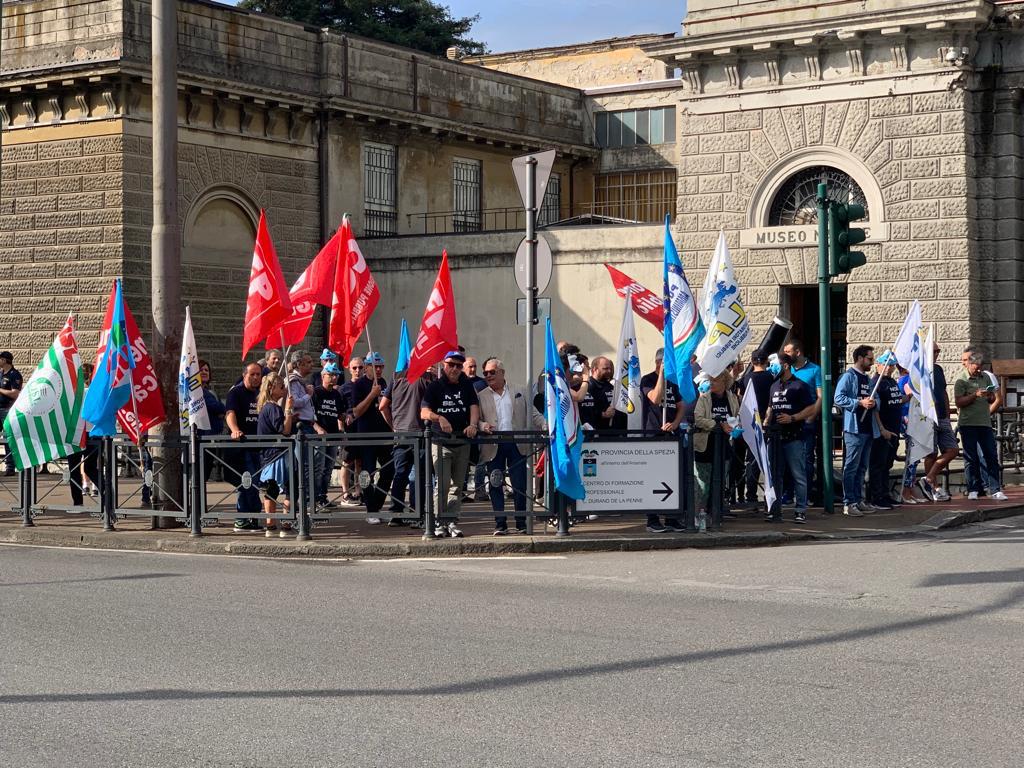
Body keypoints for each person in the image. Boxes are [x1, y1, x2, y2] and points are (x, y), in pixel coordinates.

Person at [478, 358, 546, 535]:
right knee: (495, 483)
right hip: (494, 443)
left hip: (517, 443)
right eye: (485, 373)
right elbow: (475, 418)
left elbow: (533, 413)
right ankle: (500, 524)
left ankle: (521, 522)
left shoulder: (519, 391)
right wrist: (481, 425)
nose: (488, 376)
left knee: (519, 484)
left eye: (492, 372)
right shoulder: (481, 395)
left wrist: (545, 424)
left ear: (502, 372)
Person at [420, 350, 480, 538]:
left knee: (457, 486)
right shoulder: (435, 386)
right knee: (442, 485)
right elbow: (423, 412)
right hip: (441, 441)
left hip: (462, 441)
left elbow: (474, 407)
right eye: (451, 364)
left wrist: (472, 424)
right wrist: (439, 418)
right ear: (443, 365)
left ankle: (451, 521)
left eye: (458, 365)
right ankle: (438, 521)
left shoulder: (467, 385)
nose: (454, 368)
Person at [764, 353, 816, 523]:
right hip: (775, 438)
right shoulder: (773, 386)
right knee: (774, 476)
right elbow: (771, 407)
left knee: (798, 475)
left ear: (785, 365)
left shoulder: (800, 386)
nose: (772, 368)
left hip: (794, 437)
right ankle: (774, 509)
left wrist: (792, 418)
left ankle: (800, 510)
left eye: (775, 364)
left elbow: (811, 408)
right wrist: (766, 421)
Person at [380, 362, 432, 526]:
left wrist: (393, 425)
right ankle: (417, 514)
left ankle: (396, 512)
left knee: (400, 474)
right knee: (419, 475)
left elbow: (382, 406)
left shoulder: (396, 376)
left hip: (401, 433)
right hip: (419, 432)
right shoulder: (427, 378)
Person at [640, 348, 686, 532]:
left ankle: (672, 518)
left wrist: (675, 423)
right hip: (653, 435)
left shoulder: (673, 382)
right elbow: (655, 398)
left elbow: (681, 405)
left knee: (673, 477)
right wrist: (662, 375)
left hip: (671, 436)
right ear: (659, 362)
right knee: (653, 478)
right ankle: (652, 519)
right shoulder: (648, 379)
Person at [954, 349, 1008, 501]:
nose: (978, 369)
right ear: (969, 364)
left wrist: (989, 395)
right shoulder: (961, 380)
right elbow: (959, 402)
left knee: (990, 455)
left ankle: (995, 489)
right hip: (968, 423)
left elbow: (993, 398)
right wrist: (974, 395)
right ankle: (973, 489)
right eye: (975, 366)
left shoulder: (985, 377)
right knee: (970, 457)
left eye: (980, 366)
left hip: (984, 423)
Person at [834, 345, 878, 516]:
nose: (872, 363)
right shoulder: (848, 377)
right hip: (854, 428)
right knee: (851, 466)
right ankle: (849, 502)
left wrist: (874, 403)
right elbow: (839, 398)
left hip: (867, 428)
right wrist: (859, 403)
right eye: (869, 359)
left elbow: (876, 399)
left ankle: (859, 499)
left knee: (861, 467)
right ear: (860, 358)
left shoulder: (867, 379)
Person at [351, 351, 394, 524]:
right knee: (367, 473)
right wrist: (371, 395)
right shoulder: (359, 385)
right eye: (375, 367)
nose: (378, 370)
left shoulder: (383, 382)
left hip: (383, 434)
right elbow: (356, 411)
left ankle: (376, 505)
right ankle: (370, 509)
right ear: (367, 367)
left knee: (389, 470)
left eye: (381, 367)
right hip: (366, 434)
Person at [693, 371, 739, 530]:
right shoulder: (704, 398)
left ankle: (715, 515)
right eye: (710, 379)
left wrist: (734, 426)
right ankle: (699, 515)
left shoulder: (732, 398)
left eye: (716, 380)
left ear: (725, 382)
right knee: (703, 485)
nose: (712, 383)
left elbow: (736, 417)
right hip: (705, 446)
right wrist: (718, 425)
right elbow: (698, 419)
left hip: (724, 446)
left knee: (719, 482)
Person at [782, 338, 823, 504]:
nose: (784, 355)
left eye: (788, 352)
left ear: (797, 352)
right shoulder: (786, 369)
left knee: (806, 458)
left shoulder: (814, 370)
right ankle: (788, 492)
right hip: (788, 422)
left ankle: (803, 495)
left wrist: (812, 415)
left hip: (806, 421)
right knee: (787, 458)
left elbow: (820, 396)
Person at [225, 363, 263, 532]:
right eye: (252, 374)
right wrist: (235, 430)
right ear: (244, 375)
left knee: (254, 483)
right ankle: (243, 518)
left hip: (259, 445)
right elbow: (230, 413)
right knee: (248, 481)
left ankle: (253, 518)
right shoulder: (236, 392)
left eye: (258, 375)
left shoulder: (260, 393)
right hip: (243, 444)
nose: (255, 378)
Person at [256, 372, 295, 537]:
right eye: (281, 387)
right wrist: (288, 410)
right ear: (272, 389)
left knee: (270, 489)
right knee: (290, 488)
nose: (284, 389)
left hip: (269, 454)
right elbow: (285, 430)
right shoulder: (273, 408)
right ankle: (285, 525)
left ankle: (271, 526)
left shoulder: (265, 407)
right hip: (278, 454)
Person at [918, 343, 958, 501]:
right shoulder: (920, 370)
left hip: (942, 417)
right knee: (931, 453)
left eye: (938, 351)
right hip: (928, 416)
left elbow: (943, 392)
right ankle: (933, 487)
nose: (937, 353)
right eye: (934, 351)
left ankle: (928, 479)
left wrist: (948, 414)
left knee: (953, 450)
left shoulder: (939, 369)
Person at [867, 352, 904, 511]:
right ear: (879, 365)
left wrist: (907, 397)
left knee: (887, 464)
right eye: (887, 365)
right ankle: (876, 496)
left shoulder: (891, 382)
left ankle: (884, 493)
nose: (890, 368)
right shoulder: (876, 383)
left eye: (892, 365)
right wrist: (882, 429)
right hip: (883, 431)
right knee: (878, 464)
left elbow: (895, 400)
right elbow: (875, 409)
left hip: (894, 429)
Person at [740, 349, 774, 508]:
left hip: (750, 422)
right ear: (766, 361)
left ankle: (750, 494)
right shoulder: (772, 378)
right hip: (769, 422)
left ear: (752, 362)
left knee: (751, 458)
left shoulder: (746, 379)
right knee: (770, 459)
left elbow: (741, 400)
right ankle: (772, 494)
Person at [311, 362, 346, 510]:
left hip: (333, 436)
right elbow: (309, 415)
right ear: (323, 376)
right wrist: (318, 428)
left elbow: (340, 414)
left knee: (328, 469)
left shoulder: (336, 394)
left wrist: (344, 422)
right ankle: (314, 498)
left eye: (335, 375)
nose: (333, 378)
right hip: (319, 438)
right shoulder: (316, 393)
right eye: (330, 375)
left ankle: (323, 497)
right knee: (318, 468)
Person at [69, 362, 100, 505]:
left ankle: (78, 503)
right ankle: (107, 494)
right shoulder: (95, 390)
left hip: (80, 431)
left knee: (75, 468)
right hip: (92, 431)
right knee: (90, 467)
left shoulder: (77, 392)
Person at [338, 356, 364, 505]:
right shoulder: (344, 388)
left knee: (360, 462)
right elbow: (339, 410)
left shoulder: (367, 385)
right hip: (349, 430)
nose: (357, 371)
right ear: (349, 369)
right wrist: (341, 428)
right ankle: (345, 493)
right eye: (354, 368)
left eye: (360, 367)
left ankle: (358, 490)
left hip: (363, 428)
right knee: (346, 462)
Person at [463, 355, 489, 502]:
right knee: (463, 460)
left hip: (480, 427)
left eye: (474, 366)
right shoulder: (460, 383)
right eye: (470, 366)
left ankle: (480, 490)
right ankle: (462, 490)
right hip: (463, 427)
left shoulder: (481, 383)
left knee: (481, 461)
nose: (472, 369)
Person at [197, 359, 227, 483]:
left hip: (211, 437)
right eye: (201, 369)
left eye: (207, 370)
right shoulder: (199, 392)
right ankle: (196, 502)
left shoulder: (210, 391)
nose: (204, 372)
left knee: (204, 475)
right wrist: (220, 410)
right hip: (202, 438)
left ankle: (199, 502)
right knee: (200, 475)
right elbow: (218, 407)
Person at [0, 351, 24, 476]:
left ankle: (10, 466)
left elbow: (15, 393)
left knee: (7, 438)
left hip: (7, 409)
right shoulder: (0, 373)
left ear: (4, 360)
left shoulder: (15, 375)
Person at [579, 356, 615, 431]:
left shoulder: (611, 387)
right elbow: (584, 410)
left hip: (609, 432)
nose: (609, 371)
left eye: (610, 368)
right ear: (595, 369)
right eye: (605, 368)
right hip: (593, 432)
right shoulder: (586, 386)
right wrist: (602, 414)